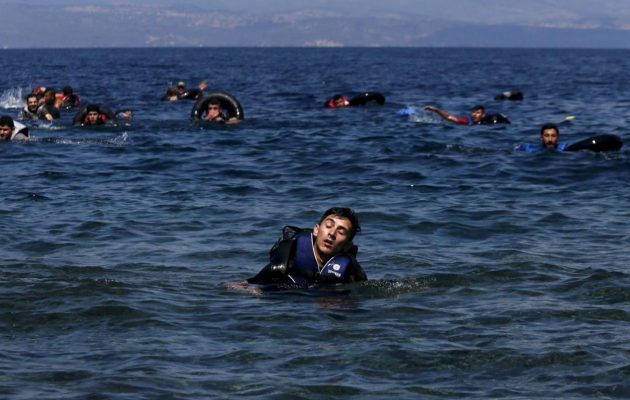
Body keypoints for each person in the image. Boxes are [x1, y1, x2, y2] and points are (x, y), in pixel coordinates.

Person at [226, 207, 367, 291]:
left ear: (348, 244)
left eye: (341, 232)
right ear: (316, 230)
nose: (332, 233)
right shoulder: (291, 253)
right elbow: (256, 281)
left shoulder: (351, 270)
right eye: (328, 226)